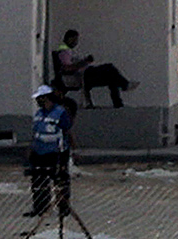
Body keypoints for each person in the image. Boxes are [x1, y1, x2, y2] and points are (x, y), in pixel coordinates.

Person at [55, 29, 137, 109]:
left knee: (112, 77)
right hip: (84, 75)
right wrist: (84, 62)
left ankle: (119, 102)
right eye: (74, 39)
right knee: (109, 68)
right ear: (69, 38)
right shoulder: (64, 52)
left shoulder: (69, 51)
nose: (76, 42)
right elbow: (67, 68)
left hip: (85, 73)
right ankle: (125, 86)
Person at [24, 87, 73, 219]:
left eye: (40, 98)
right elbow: (36, 133)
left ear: (47, 97)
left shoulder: (60, 112)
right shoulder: (39, 113)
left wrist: (67, 152)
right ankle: (40, 207)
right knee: (38, 181)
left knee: (60, 180)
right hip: (39, 152)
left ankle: (64, 208)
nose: (38, 101)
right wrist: (31, 148)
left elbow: (66, 131)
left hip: (56, 152)